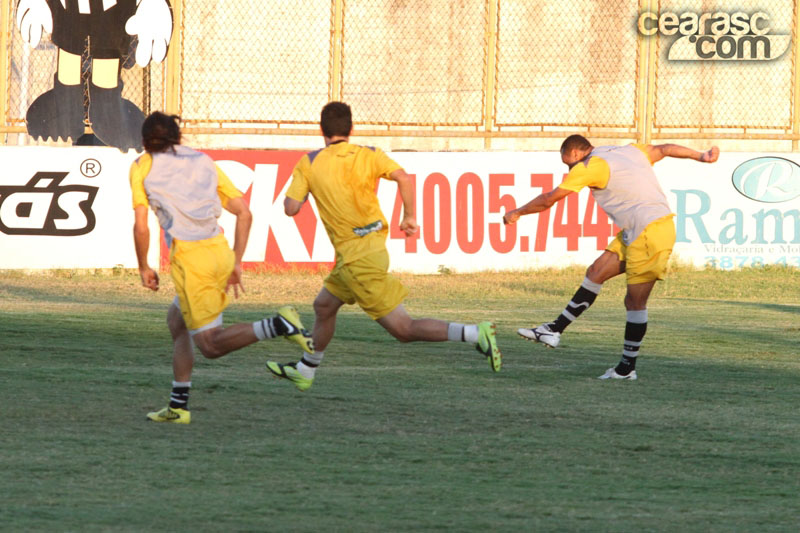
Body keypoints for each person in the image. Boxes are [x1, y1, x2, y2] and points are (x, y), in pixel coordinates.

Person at [265, 101, 501, 391]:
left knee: (404, 329)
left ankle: (475, 334)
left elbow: (290, 209)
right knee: (324, 306)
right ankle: (306, 369)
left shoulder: (310, 162)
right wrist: (409, 215)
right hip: (369, 251)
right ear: (351, 129)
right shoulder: (370, 154)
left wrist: (300, 193)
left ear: (321, 129)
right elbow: (403, 177)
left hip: (356, 261)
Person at [130, 112, 313, 423]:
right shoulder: (204, 161)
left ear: (146, 141)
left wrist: (144, 266)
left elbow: (141, 226)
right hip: (219, 251)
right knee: (177, 323)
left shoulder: (142, 165)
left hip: (192, 261)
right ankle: (178, 407)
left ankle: (280, 325)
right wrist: (236, 261)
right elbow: (244, 213)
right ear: (177, 136)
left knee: (211, 345)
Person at [504, 135, 719, 380]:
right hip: (637, 230)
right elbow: (664, 148)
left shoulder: (588, 166)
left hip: (650, 233)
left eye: (568, 163)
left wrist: (517, 212)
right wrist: (701, 155)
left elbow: (548, 200)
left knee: (635, 303)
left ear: (574, 153)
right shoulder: (627, 150)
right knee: (595, 272)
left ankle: (626, 369)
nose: (569, 169)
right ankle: (553, 330)